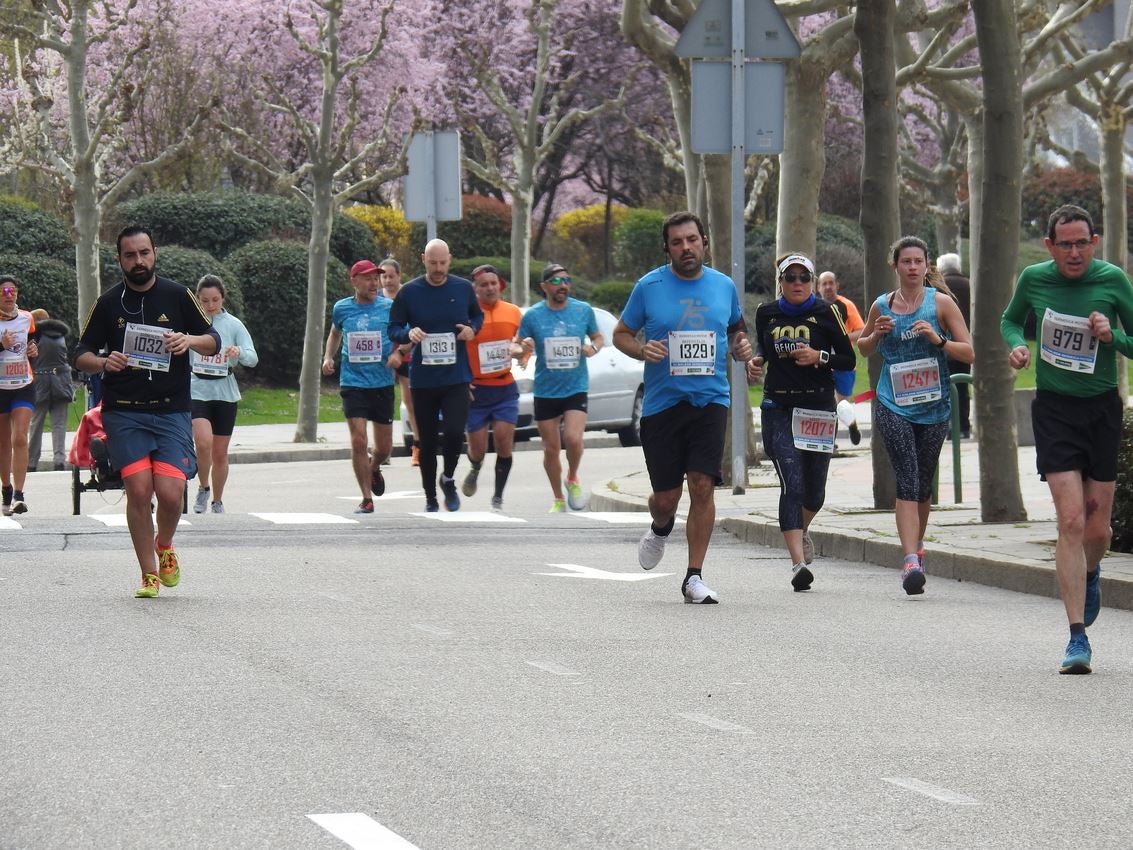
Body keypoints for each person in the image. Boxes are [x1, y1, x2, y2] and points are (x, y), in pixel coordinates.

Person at [1001, 204, 1133, 675]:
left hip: (1100, 409)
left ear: (1094, 243)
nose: (1074, 252)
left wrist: (1112, 335)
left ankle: (1091, 572)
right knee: (1071, 520)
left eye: (1083, 243)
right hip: (1054, 410)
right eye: (1065, 244)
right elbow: (1010, 320)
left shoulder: (1113, 280)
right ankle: (1077, 637)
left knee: (1097, 529)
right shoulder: (1035, 278)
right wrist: (1017, 345)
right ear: (1051, 246)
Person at [73, 226, 221, 598]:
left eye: (144, 253)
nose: (138, 261)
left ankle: (164, 544)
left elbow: (212, 339)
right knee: (139, 490)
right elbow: (81, 354)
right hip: (124, 413)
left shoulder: (177, 295)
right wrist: (105, 362)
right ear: (120, 259)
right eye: (129, 255)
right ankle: (148, 574)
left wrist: (188, 340)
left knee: (171, 495)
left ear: (155, 253)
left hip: (171, 411)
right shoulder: (109, 304)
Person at [612, 211, 751, 604]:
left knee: (703, 485)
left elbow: (736, 329)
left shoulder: (723, 286)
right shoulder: (649, 286)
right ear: (667, 248)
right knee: (666, 497)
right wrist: (641, 348)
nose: (686, 247)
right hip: (662, 404)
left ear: (704, 241)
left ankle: (694, 577)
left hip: (710, 400)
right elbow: (620, 333)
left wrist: (742, 348)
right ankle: (659, 525)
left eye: (692, 239)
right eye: (677, 242)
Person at [856, 236, 973, 596]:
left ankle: (917, 546)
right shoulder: (882, 304)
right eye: (905, 261)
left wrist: (939, 341)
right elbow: (862, 346)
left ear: (926, 265)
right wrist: (875, 334)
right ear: (895, 266)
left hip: (934, 407)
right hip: (893, 403)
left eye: (917, 261)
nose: (911, 267)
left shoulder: (940, 304)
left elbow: (968, 352)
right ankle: (909, 560)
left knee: (923, 483)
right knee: (906, 477)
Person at [751, 255, 856, 591]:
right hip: (778, 405)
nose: (797, 283)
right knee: (792, 483)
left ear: (812, 281)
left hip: (818, 408)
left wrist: (819, 357)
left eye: (803, 277)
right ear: (780, 281)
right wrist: (755, 363)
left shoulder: (827, 313)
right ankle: (797, 564)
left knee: (815, 491)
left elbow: (848, 358)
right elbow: (762, 353)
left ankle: (801, 527)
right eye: (790, 277)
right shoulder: (766, 313)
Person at [388, 239, 483, 512]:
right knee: (427, 440)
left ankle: (448, 478)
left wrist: (471, 330)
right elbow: (393, 327)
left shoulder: (463, 288)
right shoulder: (410, 292)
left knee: (454, 433)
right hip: (424, 380)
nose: (438, 269)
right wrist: (408, 333)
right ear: (423, 260)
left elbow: (477, 317)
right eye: (433, 263)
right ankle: (430, 496)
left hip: (456, 376)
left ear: (449, 260)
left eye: (442, 263)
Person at [519, 263, 604, 513]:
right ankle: (558, 497)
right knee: (551, 449)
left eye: (567, 280)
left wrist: (593, 348)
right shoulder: (533, 316)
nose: (563, 286)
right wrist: (522, 350)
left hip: (576, 385)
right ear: (544, 286)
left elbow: (598, 337)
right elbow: (518, 345)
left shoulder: (582, 310)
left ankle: (573, 477)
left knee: (574, 439)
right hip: (546, 389)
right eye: (556, 282)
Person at [322, 259, 399, 514]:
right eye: (367, 278)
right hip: (353, 382)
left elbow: (404, 336)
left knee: (384, 448)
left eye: (376, 278)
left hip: (382, 382)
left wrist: (398, 353)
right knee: (358, 440)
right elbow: (335, 332)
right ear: (354, 281)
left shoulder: (389, 307)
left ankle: (374, 466)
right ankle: (366, 498)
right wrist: (328, 357)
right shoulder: (342, 308)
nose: (373, 283)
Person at [189, 275, 258, 514]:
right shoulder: (191, 322)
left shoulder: (234, 324)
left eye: (215, 300)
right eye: (205, 300)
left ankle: (217, 500)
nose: (210, 305)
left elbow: (252, 357)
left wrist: (238, 352)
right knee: (203, 442)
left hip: (225, 392)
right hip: (197, 388)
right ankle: (203, 487)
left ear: (223, 298)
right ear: (197, 299)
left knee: (220, 452)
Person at [462, 264, 525, 511]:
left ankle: (498, 496)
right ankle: (475, 468)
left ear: (500, 285)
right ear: (475, 289)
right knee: (477, 448)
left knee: (503, 441)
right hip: (475, 390)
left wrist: (523, 354)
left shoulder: (513, 312)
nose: (489, 288)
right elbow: (457, 351)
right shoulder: (467, 315)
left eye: (493, 283)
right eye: (483, 284)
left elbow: (524, 342)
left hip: (504, 388)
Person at [0, 277, 40, 515]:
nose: (9, 294)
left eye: (12, 290)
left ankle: (19, 494)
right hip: (0, 388)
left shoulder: (27, 318)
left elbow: (32, 344)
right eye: (4, 290)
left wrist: (34, 350)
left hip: (24, 384)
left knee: (20, 438)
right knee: (4, 442)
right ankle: (6, 487)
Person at [816, 270, 865, 445]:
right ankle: (830, 440)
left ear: (837, 285)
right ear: (818, 287)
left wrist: (840, 340)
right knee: (826, 402)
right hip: (821, 363)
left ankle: (851, 424)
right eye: (824, 284)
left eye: (831, 283)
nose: (828, 287)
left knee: (842, 402)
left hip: (844, 362)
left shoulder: (846, 305)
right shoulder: (814, 307)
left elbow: (861, 331)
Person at [380, 258, 418, 466]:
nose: (387, 280)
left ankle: (417, 447)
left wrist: (402, 351)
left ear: (399, 275)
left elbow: (416, 326)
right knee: (384, 403)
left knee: (410, 402)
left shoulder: (408, 296)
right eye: (383, 276)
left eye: (391, 276)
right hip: (384, 357)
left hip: (407, 354)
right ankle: (383, 451)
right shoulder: (376, 298)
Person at [27, 308, 73, 473]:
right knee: (59, 424)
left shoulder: (35, 335)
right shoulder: (60, 336)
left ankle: (31, 462)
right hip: (62, 381)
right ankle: (59, 460)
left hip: (40, 382)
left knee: (36, 423)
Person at [936, 252, 972, 438]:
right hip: (965, 344)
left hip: (944, 343)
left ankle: (950, 427)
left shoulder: (937, 288)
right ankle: (964, 426)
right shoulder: (969, 284)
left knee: (945, 388)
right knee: (963, 387)